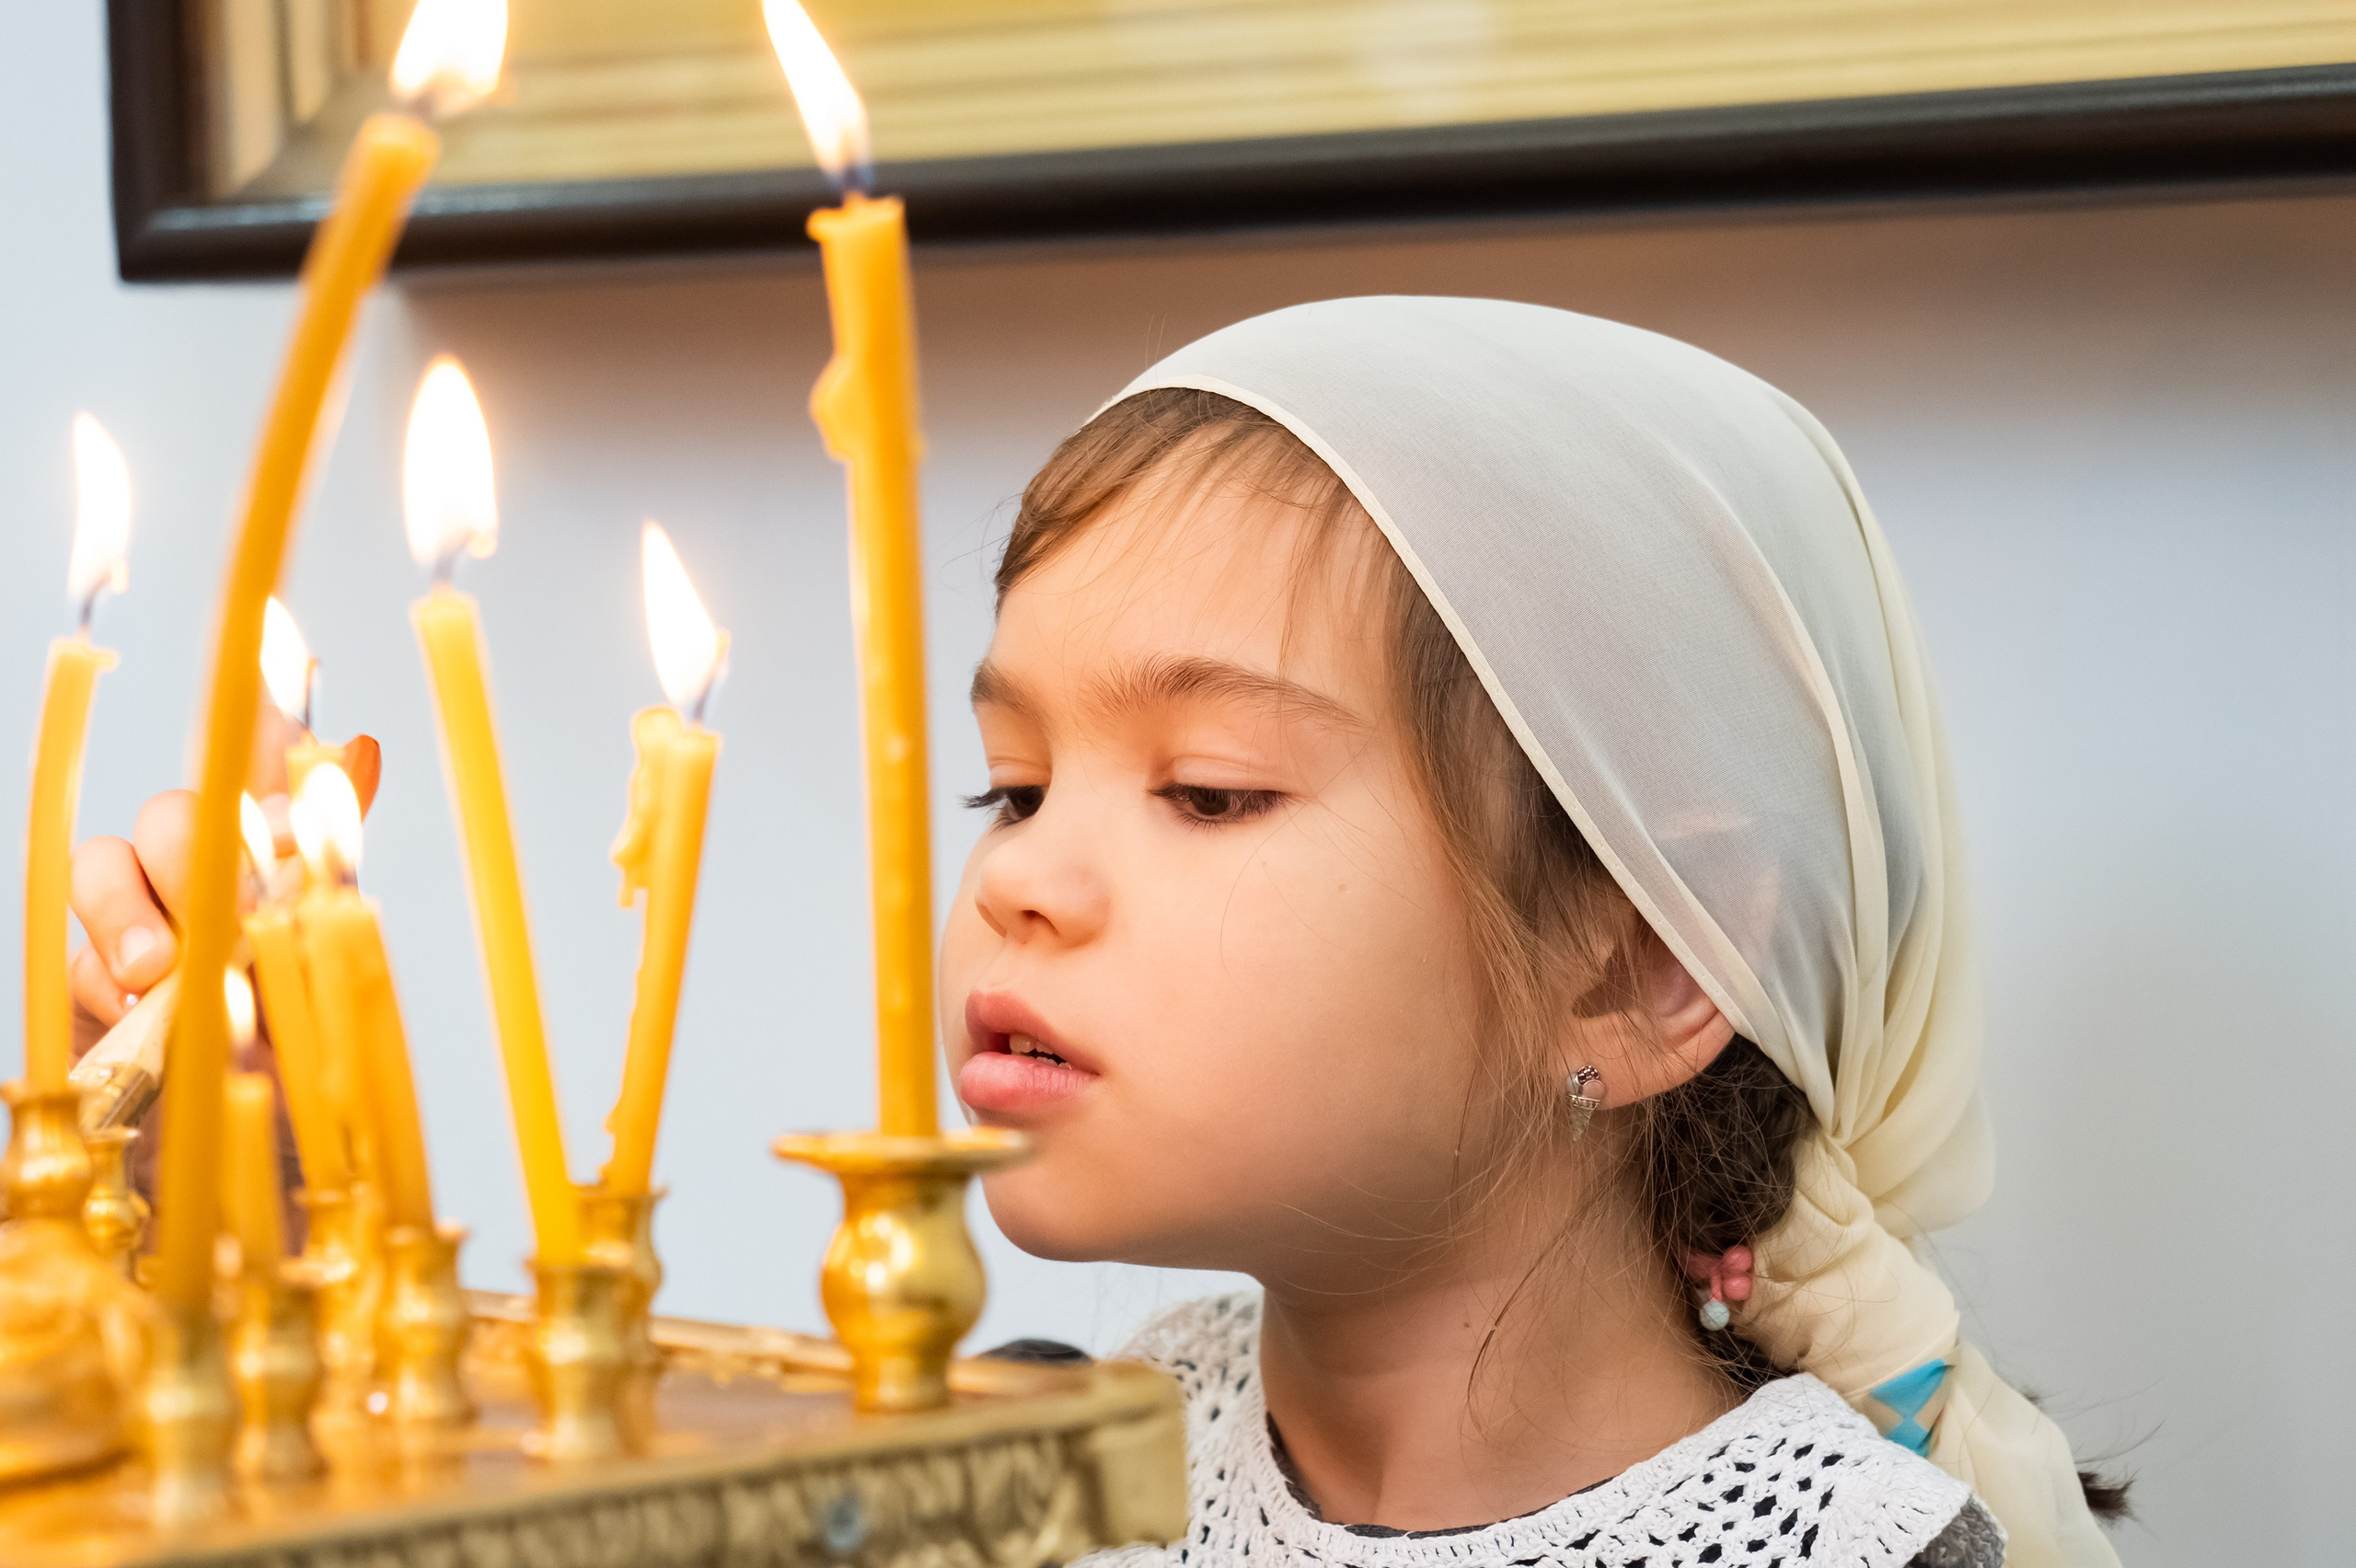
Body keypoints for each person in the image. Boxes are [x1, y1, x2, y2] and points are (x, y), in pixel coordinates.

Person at [72, 299, 2125, 1566]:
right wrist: (251, 1216)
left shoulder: (1850, 1555)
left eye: (1208, 789)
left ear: (1643, 961)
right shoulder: (1026, 1469)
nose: (1017, 879)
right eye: (1013, 781)